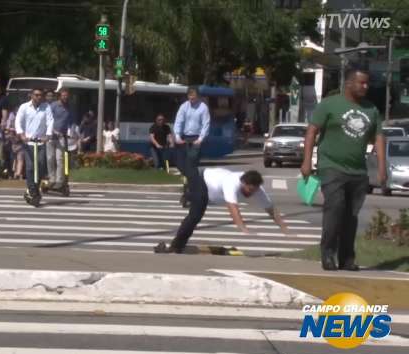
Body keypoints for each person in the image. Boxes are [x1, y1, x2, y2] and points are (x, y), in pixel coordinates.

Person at [301, 67, 386, 271]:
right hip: (331, 166)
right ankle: (327, 255)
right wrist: (306, 162)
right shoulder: (330, 105)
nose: (365, 87)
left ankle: (347, 258)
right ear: (349, 83)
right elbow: (312, 132)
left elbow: (378, 137)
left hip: (358, 171)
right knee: (335, 209)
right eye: (361, 83)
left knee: (351, 216)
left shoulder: (371, 109)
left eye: (367, 83)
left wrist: (382, 167)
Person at [154, 169, 288, 254]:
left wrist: (284, 228)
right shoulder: (232, 183)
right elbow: (233, 208)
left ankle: (188, 196)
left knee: (200, 206)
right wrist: (242, 227)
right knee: (195, 215)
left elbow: (271, 209)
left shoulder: (258, 190)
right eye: (249, 190)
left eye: (254, 191)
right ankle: (176, 246)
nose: (250, 194)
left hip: (214, 195)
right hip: (202, 182)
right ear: (243, 183)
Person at [15, 88, 53, 203]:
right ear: (31, 95)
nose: (38, 97)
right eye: (36, 95)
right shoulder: (24, 107)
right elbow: (18, 121)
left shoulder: (46, 107)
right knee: (31, 167)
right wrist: (21, 134)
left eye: (40, 95)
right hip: (28, 142)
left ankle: (34, 189)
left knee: (41, 166)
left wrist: (48, 135)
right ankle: (32, 190)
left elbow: (50, 121)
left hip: (40, 142)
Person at [174, 87, 210, 179]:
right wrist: (177, 136)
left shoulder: (203, 107)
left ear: (198, 97)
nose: (191, 100)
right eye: (190, 97)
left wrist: (200, 139)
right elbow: (179, 121)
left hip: (196, 138)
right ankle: (192, 178)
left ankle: (192, 182)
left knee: (192, 161)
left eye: (193, 98)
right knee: (180, 162)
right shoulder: (184, 106)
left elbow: (206, 123)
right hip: (184, 137)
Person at [47, 88, 74, 189]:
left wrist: (70, 132)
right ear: (60, 96)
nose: (65, 97)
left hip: (61, 137)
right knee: (50, 158)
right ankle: (51, 179)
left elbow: (71, 122)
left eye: (66, 96)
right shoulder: (53, 106)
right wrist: (54, 131)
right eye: (63, 95)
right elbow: (48, 120)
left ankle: (59, 180)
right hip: (50, 136)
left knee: (60, 159)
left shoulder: (69, 108)